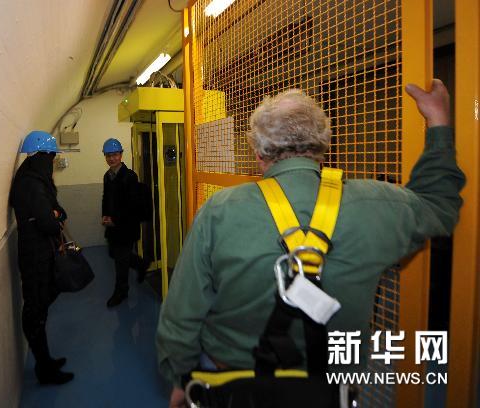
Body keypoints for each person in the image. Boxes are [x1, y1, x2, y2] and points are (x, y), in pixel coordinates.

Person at [156, 79, 464, 407]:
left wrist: (181, 377)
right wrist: (438, 120)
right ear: (323, 145)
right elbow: (439, 204)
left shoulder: (219, 211)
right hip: (330, 391)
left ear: (258, 153)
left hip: (234, 388)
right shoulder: (380, 205)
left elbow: (181, 314)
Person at [9, 130, 74, 385]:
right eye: (50, 157)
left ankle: (45, 361)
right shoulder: (31, 183)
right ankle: (44, 369)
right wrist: (54, 216)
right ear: (40, 156)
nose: (52, 162)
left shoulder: (34, 179)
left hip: (39, 253)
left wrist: (55, 214)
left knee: (42, 305)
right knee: (35, 310)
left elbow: (58, 211)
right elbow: (49, 221)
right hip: (34, 256)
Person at [101, 138, 150, 308]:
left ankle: (121, 291)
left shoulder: (130, 176)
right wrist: (105, 215)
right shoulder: (107, 176)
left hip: (127, 227)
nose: (111, 158)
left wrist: (115, 220)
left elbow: (132, 206)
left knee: (120, 261)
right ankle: (141, 264)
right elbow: (105, 198)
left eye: (115, 154)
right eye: (108, 155)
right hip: (113, 226)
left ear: (121, 155)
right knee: (114, 254)